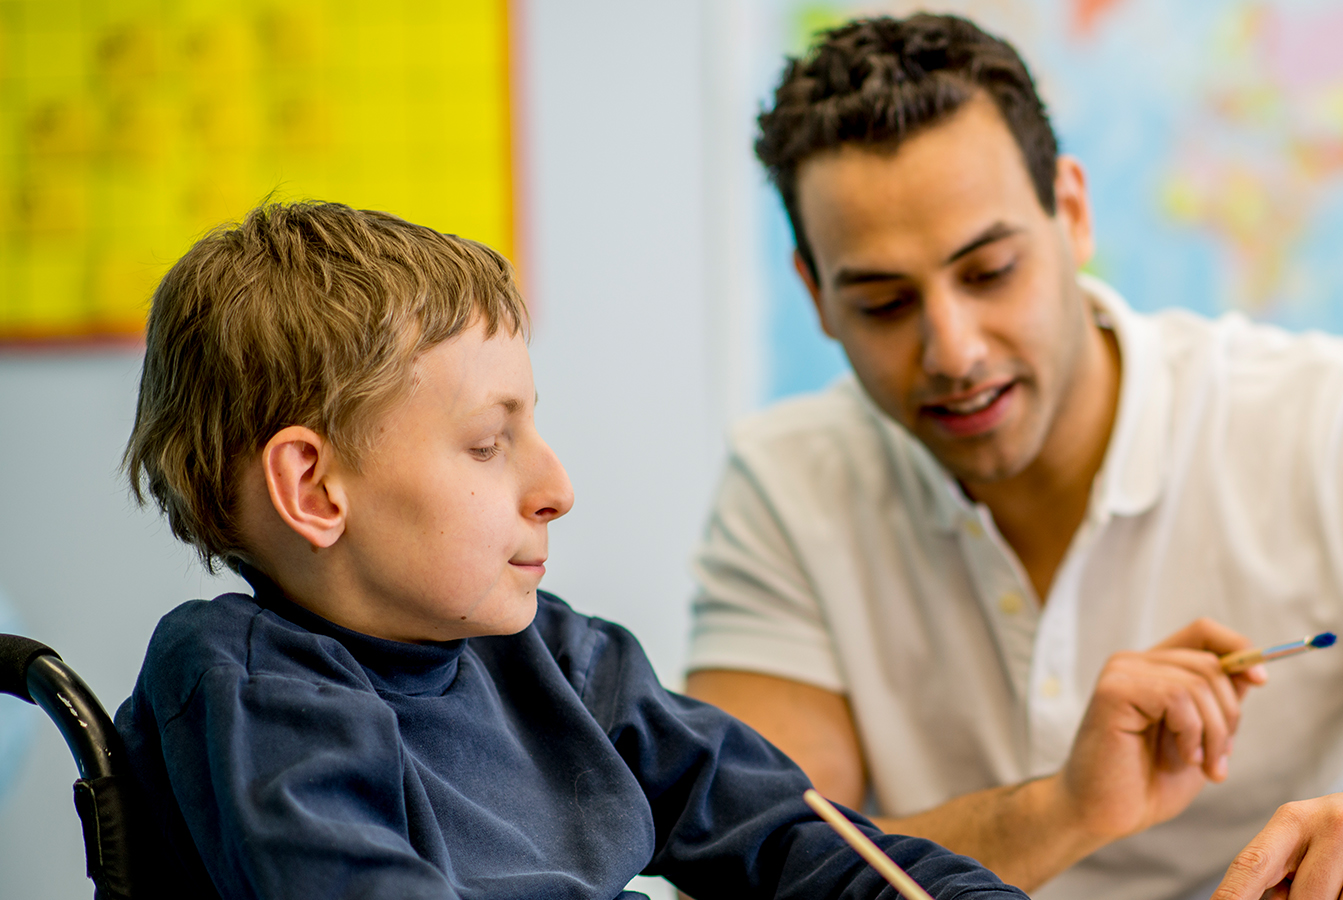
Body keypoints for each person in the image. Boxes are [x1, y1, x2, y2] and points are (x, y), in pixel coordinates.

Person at [685, 13, 1343, 900]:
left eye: (989, 270)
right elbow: (752, 866)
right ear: (814, 295)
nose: (953, 349)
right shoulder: (786, 486)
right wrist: (1063, 810)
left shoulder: (1341, 420)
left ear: (1071, 212)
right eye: (883, 304)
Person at [112, 201, 1029, 900]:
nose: (557, 487)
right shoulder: (247, 688)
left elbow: (785, 828)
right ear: (314, 489)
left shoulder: (554, 653)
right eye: (486, 443)